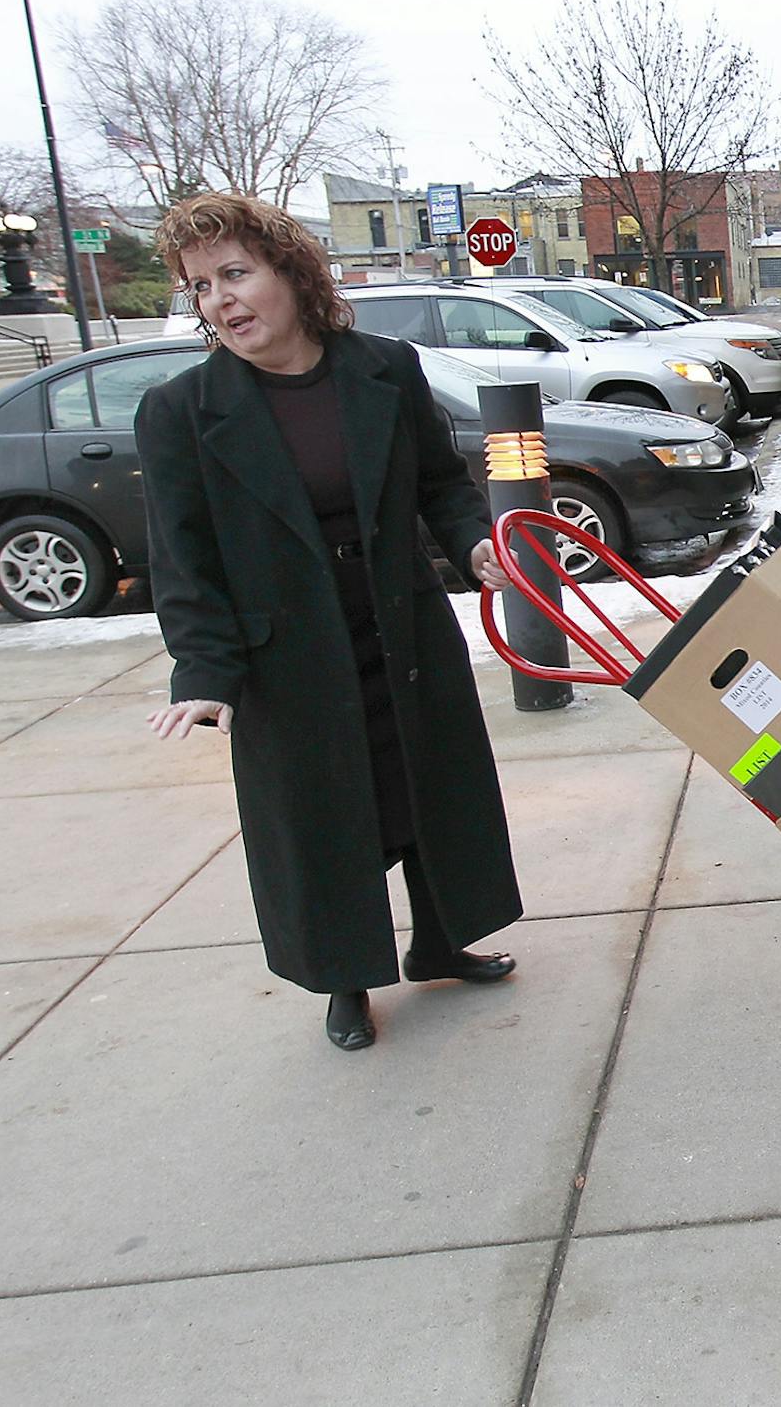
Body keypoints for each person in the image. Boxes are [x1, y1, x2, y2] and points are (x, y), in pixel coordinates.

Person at [137, 192, 526, 1054]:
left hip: (403, 629)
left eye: (236, 274)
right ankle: (346, 978)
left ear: (292, 273)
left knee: (430, 790)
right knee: (322, 818)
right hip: (290, 656)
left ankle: (441, 942)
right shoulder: (182, 412)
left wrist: (473, 548)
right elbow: (184, 565)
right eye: (200, 286)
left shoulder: (384, 368)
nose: (221, 300)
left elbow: (442, 487)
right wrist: (203, 675)